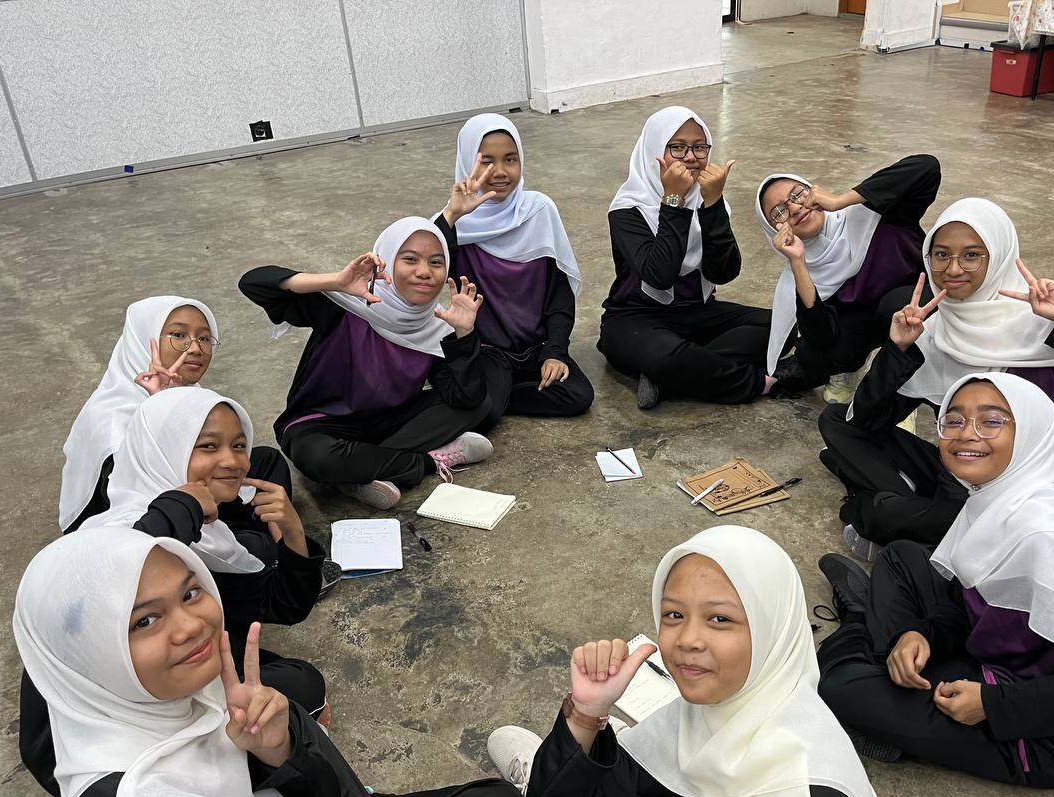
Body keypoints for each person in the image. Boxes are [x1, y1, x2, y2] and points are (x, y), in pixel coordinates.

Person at [14, 527, 527, 797]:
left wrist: (277, 750)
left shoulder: (169, 711)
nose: (191, 626)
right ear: (90, 656)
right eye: (145, 621)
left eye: (190, 593)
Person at [488, 526, 887, 797]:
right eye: (674, 614)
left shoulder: (809, 796)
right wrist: (586, 713)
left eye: (720, 619)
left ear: (771, 630)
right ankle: (564, 765)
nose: (687, 640)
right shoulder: (716, 710)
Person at [816, 373, 1054, 787]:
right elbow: (969, 603)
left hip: (1044, 736)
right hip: (995, 657)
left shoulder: (1048, 540)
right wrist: (920, 635)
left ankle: (859, 623)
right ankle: (889, 658)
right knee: (902, 556)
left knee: (838, 685)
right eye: (954, 420)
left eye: (991, 421)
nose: (966, 434)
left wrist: (991, 704)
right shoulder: (1000, 499)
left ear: (1030, 434)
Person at [21, 388, 329, 797]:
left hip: (162, 682)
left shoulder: (212, 539)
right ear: (161, 451)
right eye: (208, 446)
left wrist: (292, 532)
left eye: (239, 445)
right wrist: (179, 507)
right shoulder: (110, 535)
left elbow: (285, 605)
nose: (232, 461)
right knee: (297, 697)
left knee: (295, 682)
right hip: (93, 741)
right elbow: (114, 575)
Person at [818, 197, 1054, 559]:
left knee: (879, 514)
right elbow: (865, 420)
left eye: (971, 255)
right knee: (836, 421)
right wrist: (898, 349)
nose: (953, 269)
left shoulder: (1040, 337)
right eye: (941, 255)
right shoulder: (935, 332)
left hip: (1013, 499)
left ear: (999, 256)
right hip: (954, 472)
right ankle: (916, 513)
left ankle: (894, 508)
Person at [239, 216, 495, 511]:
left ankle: (356, 471)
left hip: (390, 422)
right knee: (318, 457)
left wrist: (464, 334)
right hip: (323, 425)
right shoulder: (345, 305)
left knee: (480, 404)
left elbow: (466, 398)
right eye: (410, 259)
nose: (424, 272)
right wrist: (334, 281)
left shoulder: (435, 323)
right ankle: (426, 460)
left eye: (436, 262)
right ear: (386, 260)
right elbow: (253, 283)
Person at [58, 296, 291, 533]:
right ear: (142, 340)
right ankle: (262, 544)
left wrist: (170, 401)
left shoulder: (186, 391)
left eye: (204, 338)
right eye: (179, 335)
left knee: (267, 462)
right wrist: (157, 405)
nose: (196, 349)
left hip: (183, 492)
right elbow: (137, 487)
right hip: (136, 520)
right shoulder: (109, 417)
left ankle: (283, 538)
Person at [596, 106, 773, 409]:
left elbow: (723, 273)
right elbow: (659, 275)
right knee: (661, 355)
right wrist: (673, 202)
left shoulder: (707, 200)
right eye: (677, 147)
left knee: (781, 326)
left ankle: (671, 376)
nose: (691, 157)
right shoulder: (627, 210)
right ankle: (754, 382)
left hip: (697, 312)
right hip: (635, 318)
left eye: (699, 147)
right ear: (654, 152)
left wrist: (714, 203)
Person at [432, 113, 593, 428]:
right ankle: (487, 398)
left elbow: (559, 295)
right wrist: (452, 214)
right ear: (467, 162)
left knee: (578, 395)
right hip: (487, 351)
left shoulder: (539, 210)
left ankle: (490, 397)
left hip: (534, 349)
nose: (500, 172)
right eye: (486, 162)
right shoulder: (454, 223)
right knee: (486, 416)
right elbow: (428, 269)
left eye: (510, 159)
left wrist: (555, 352)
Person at [755, 155, 941, 400]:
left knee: (895, 305)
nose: (795, 208)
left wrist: (840, 201)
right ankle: (851, 367)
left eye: (797, 194)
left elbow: (927, 167)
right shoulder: (798, 272)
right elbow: (820, 339)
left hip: (919, 303)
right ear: (773, 231)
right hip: (869, 324)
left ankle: (903, 388)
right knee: (812, 355)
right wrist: (798, 262)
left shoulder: (873, 213)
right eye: (779, 212)